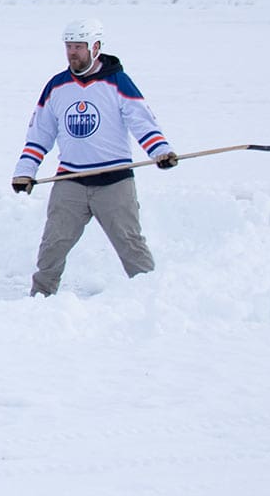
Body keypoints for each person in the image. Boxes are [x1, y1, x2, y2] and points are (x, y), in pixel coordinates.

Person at [11, 18, 176, 295]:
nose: (72, 52)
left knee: (130, 243)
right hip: (71, 179)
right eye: (69, 46)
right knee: (52, 245)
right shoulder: (57, 86)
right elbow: (39, 134)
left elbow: (142, 122)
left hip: (115, 181)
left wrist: (160, 152)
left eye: (79, 46)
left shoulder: (118, 82)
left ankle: (153, 298)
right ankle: (40, 301)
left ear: (95, 47)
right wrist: (25, 171)